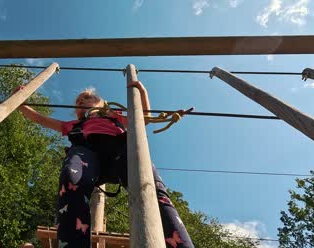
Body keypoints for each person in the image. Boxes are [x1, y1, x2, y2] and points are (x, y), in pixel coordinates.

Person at [16, 82, 194, 248]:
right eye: (78, 101)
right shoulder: (73, 125)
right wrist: (21, 102)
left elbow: (143, 119)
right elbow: (39, 119)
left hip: (121, 152)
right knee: (71, 180)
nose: (81, 101)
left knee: (153, 191)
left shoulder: (114, 116)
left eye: (86, 98)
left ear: (101, 103)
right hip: (88, 155)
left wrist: (141, 90)